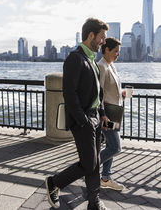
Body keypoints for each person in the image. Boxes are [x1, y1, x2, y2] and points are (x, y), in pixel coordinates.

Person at [45, 18, 110, 210]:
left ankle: (94, 202)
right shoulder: (75, 58)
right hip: (84, 119)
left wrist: (103, 114)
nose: (103, 42)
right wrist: (83, 121)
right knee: (90, 163)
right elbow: (69, 93)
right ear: (91, 36)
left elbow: (98, 92)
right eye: (101, 37)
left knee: (95, 162)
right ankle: (54, 182)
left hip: (95, 116)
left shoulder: (91, 59)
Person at [98, 37, 125, 191]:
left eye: (118, 52)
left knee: (110, 145)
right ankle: (90, 166)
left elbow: (110, 89)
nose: (117, 55)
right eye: (115, 51)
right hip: (107, 113)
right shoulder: (101, 66)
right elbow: (99, 94)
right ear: (106, 50)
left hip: (114, 111)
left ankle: (106, 177)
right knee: (115, 147)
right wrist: (102, 115)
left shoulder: (111, 66)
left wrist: (120, 94)